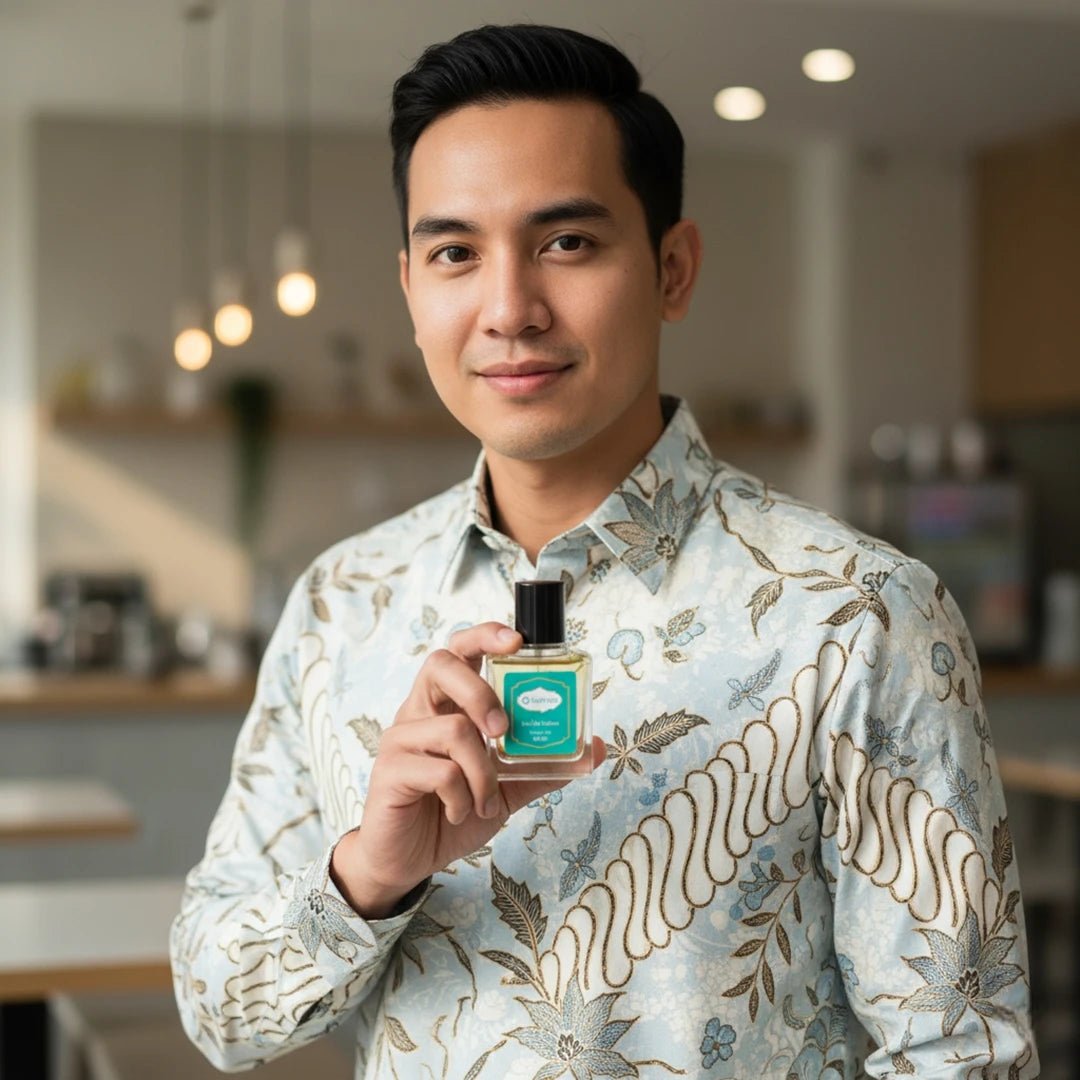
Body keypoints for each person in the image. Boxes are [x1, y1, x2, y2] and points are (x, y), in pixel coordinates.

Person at [171, 23, 1038, 1078]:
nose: (508, 310)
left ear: (672, 269)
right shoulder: (340, 603)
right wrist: (366, 875)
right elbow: (222, 1014)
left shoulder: (859, 615)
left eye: (566, 243)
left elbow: (962, 1056)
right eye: (455, 253)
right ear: (410, 293)